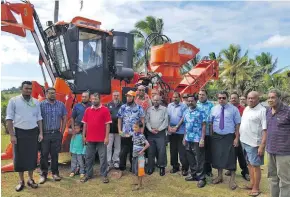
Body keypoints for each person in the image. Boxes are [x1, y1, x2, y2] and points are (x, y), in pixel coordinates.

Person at [6, 81, 43, 192]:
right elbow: (9, 119)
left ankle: (31, 179)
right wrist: (12, 135)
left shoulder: (36, 102)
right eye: (26, 88)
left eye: (30, 89)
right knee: (19, 158)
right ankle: (21, 181)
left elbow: (39, 118)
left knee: (32, 157)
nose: (28, 90)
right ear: (21, 89)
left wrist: (41, 133)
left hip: (33, 133)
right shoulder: (14, 101)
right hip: (19, 133)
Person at [210, 90, 241, 190]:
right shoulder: (214, 109)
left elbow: (237, 125)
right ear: (217, 99)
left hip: (229, 136)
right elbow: (211, 123)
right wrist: (211, 136)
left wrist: (236, 138)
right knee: (218, 157)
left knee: (231, 157)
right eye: (219, 98)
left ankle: (232, 180)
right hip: (217, 137)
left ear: (227, 98)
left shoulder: (234, 109)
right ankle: (220, 176)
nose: (221, 99)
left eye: (223, 98)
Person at [240, 91, 267, 196]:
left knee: (256, 166)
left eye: (253, 98)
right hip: (244, 141)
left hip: (254, 144)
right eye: (249, 98)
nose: (250, 100)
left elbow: (265, 130)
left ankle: (256, 188)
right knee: (250, 164)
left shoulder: (262, 111)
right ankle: (252, 184)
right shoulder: (246, 108)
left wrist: (262, 145)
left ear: (258, 99)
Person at [81, 93, 112, 183]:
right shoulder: (87, 110)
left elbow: (107, 125)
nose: (94, 101)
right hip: (90, 139)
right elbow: (85, 124)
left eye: (96, 99)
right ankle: (88, 175)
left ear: (100, 99)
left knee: (103, 158)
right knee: (88, 157)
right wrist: (83, 136)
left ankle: (104, 175)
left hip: (102, 139)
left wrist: (106, 137)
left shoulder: (105, 110)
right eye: (92, 99)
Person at [39, 87, 67, 184]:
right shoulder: (41, 105)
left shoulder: (61, 105)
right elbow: (38, 119)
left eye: (54, 93)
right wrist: (40, 132)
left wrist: (61, 132)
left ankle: (55, 173)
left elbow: (64, 117)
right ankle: (43, 174)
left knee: (55, 155)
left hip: (56, 133)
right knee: (44, 155)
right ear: (46, 94)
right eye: (50, 93)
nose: (52, 95)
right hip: (45, 134)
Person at [266, 89, 290, 197]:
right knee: (273, 178)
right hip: (270, 150)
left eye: (273, 97)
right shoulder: (268, 111)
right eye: (269, 97)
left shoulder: (288, 111)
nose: (270, 100)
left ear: (279, 98)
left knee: (284, 181)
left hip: (284, 152)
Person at [117, 90, 145, 175]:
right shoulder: (123, 107)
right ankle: (122, 168)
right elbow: (119, 119)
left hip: (135, 134)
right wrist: (119, 130)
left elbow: (142, 120)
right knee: (123, 152)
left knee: (134, 152)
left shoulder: (139, 108)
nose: (128, 98)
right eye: (127, 96)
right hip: (125, 134)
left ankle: (134, 168)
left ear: (134, 97)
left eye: (130, 96)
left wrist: (141, 132)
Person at [182, 95, 207, 188]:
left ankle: (201, 178)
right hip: (188, 138)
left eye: (192, 101)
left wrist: (202, 139)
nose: (190, 102)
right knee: (191, 158)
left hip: (197, 139)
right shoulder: (186, 112)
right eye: (188, 101)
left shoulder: (201, 111)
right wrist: (184, 137)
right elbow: (186, 126)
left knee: (199, 159)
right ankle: (193, 174)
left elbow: (204, 125)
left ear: (196, 101)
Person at [226, 93, 250, 181]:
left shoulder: (244, 109)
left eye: (235, 98)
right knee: (231, 153)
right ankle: (230, 169)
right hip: (230, 134)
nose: (233, 99)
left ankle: (245, 172)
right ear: (229, 99)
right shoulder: (227, 108)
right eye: (232, 98)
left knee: (241, 154)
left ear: (238, 99)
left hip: (241, 135)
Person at [145, 95, 168, 176]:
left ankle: (162, 167)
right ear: (152, 100)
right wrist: (150, 129)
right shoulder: (149, 109)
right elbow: (146, 120)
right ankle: (150, 167)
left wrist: (159, 129)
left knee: (161, 151)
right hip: (151, 133)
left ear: (160, 100)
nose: (156, 102)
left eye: (157, 100)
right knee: (151, 151)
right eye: (154, 100)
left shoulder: (164, 109)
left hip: (160, 133)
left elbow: (166, 121)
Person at [167, 92, 189, 176]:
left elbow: (183, 118)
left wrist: (177, 126)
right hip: (172, 131)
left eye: (176, 97)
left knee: (182, 151)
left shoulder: (184, 106)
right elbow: (168, 117)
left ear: (180, 98)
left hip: (181, 131)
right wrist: (168, 126)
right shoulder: (169, 106)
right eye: (173, 97)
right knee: (173, 150)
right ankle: (175, 166)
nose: (175, 99)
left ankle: (185, 168)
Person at [70, 91, 91, 174]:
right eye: (82, 96)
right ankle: (77, 168)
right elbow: (72, 118)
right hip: (78, 130)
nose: (83, 98)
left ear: (89, 98)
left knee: (86, 150)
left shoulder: (91, 106)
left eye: (85, 97)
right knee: (78, 149)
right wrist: (73, 130)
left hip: (89, 131)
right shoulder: (77, 106)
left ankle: (85, 168)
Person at [197, 89, 214, 177]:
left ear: (206, 95)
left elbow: (213, 119)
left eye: (203, 94)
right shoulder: (196, 105)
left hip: (208, 132)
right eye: (200, 94)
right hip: (198, 133)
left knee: (208, 152)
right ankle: (200, 169)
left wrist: (212, 132)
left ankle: (208, 170)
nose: (201, 96)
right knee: (199, 153)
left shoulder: (211, 105)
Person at [106, 90, 122, 169]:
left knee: (117, 146)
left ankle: (116, 161)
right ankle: (108, 162)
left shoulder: (122, 105)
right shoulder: (108, 104)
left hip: (118, 129)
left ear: (119, 96)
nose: (116, 97)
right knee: (109, 146)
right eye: (114, 95)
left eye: (117, 95)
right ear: (112, 96)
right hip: (110, 129)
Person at [132, 121, 150, 191]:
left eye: (136, 127)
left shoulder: (141, 136)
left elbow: (147, 144)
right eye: (134, 127)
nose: (134, 128)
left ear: (140, 128)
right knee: (136, 170)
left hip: (140, 156)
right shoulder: (134, 134)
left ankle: (140, 185)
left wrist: (141, 151)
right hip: (135, 155)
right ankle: (138, 183)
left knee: (140, 170)